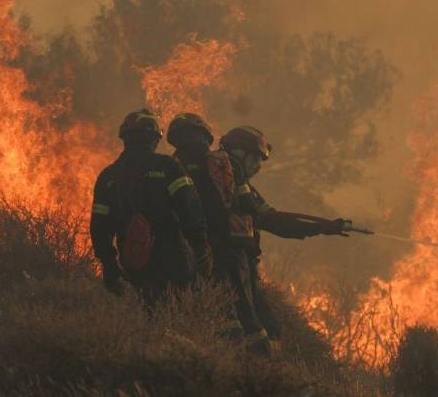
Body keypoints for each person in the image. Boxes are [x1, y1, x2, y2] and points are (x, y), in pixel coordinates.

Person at [220, 126, 353, 354]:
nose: (258, 167)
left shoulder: (239, 186)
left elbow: (272, 217)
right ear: (240, 152)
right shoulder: (231, 183)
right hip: (231, 268)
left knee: (268, 330)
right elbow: (275, 222)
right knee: (259, 334)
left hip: (239, 267)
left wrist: (324, 226)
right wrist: (324, 227)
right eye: (256, 158)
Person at [89, 109, 212, 305]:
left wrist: (109, 264)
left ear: (125, 138)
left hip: (133, 260)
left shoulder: (108, 176)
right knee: (178, 312)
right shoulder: (168, 166)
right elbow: (189, 208)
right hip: (173, 260)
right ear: (155, 138)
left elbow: (99, 227)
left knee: (146, 312)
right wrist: (200, 247)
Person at [166, 113, 261, 343]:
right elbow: (248, 205)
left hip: (193, 249)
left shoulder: (170, 166)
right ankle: (255, 360)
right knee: (242, 310)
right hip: (229, 247)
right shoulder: (223, 164)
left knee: (209, 305)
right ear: (206, 137)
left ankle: (227, 350)